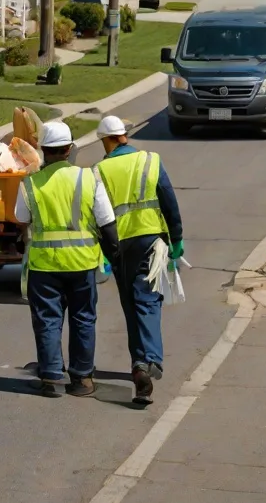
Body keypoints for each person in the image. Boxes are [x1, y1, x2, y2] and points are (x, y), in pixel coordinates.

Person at [15, 121, 119, 398]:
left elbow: (21, 218)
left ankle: (50, 377)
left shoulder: (30, 183)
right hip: (82, 263)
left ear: (43, 150)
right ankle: (82, 379)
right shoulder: (88, 178)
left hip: (44, 265)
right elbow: (107, 223)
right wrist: (115, 255)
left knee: (47, 319)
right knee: (83, 318)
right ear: (70, 149)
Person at [95, 115, 184, 406]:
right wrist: (176, 239)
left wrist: (102, 253)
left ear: (107, 140)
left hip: (119, 246)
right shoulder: (150, 161)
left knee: (130, 306)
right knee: (147, 300)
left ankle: (139, 366)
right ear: (124, 136)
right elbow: (168, 200)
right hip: (151, 241)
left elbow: (97, 214)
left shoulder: (99, 170)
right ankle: (150, 360)